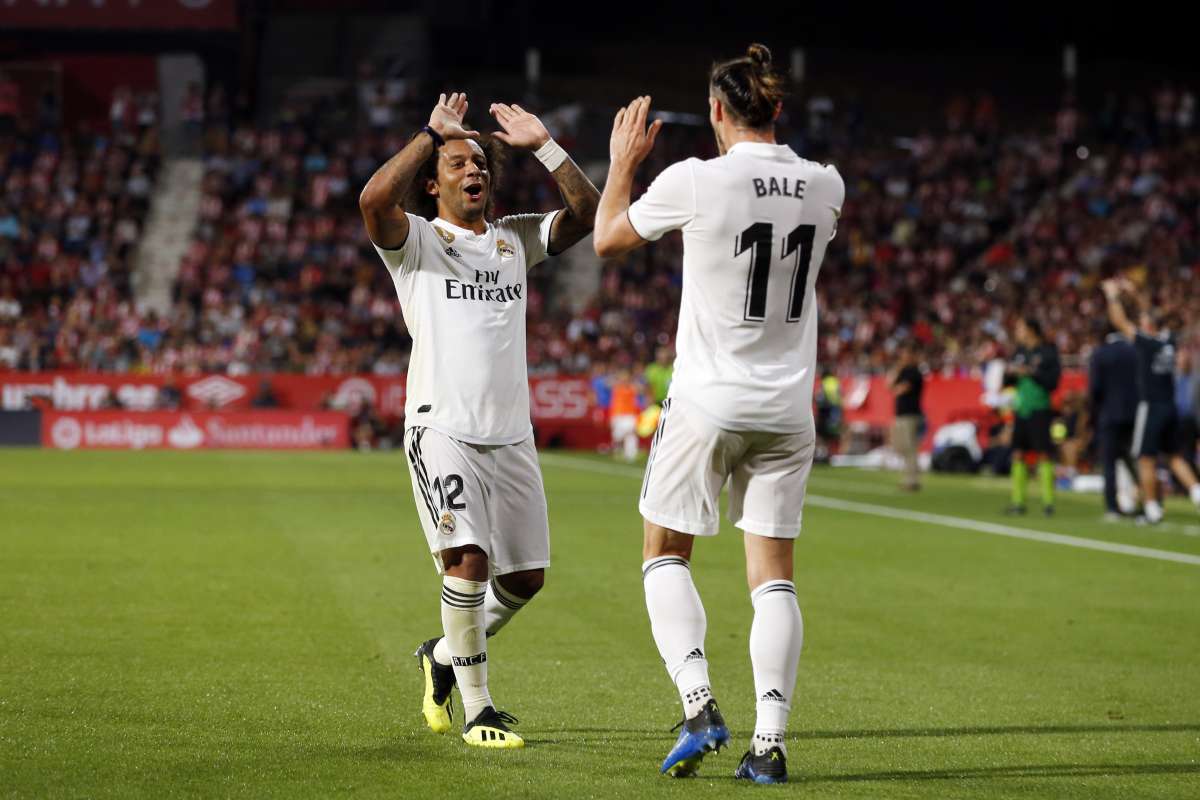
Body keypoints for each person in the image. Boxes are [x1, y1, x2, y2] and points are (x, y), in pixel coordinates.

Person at [593, 44, 844, 784]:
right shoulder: (826, 184)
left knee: (664, 552)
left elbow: (607, 238)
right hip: (787, 408)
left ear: (714, 111)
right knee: (773, 578)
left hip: (708, 400)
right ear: (778, 108)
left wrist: (622, 164)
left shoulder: (695, 180)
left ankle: (699, 706)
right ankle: (770, 746)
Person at [359, 92, 599, 748]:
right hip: (442, 427)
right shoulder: (416, 241)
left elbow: (588, 214)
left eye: (482, 164)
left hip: (511, 434)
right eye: (459, 163)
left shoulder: (513, 239)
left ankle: (441, 656)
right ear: (432, 184)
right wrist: (428, 134)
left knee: (524, 579)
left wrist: (545, 146)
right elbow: (373, 202)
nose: (475, 171)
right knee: (467, 559)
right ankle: (478, 709)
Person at [1102, 279, 1200, 523]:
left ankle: (1151, 509)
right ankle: (1197, 493)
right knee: (1175, 457)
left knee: (1146, 459)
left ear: (1149, 325)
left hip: (1151, 407)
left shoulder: (1147, 344)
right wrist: (1135, 292)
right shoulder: (1169, 341)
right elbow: (1148, 311)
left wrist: (1112, 295)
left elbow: (1119, 321)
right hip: (1170, 407)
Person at [1004, 317, 1061, 516]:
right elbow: (1007, 381)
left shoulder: (1048, 352)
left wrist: (1031, 372)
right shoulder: (1019, 352)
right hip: (1021, 409)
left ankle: (1048, 503)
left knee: (1044, 453)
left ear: (1030, 330)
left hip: (1040, 409)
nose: (1017, 332)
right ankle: (1018, 502)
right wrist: (1010, 373)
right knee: (1017, 453)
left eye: (1020, 328)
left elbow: (1053, 382)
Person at [1088, 325, 1140, 520]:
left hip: (1109, 414)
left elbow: (1095, 389)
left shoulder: (1101, 353)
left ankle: (1112, 507)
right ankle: (1149, 500)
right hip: (1134, 414)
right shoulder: (1134, 351)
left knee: (1109, 462)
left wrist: (1093, 416)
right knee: (1134, 460)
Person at [888, 342, 924, 491]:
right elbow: (889, 385)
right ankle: (910, 476)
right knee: (901, 447)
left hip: (910, 414)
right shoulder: (903, 371)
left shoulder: (914, 372)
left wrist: (896, 388)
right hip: (901, 414)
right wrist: (897, 369)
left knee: (910, 448)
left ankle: (912, 480)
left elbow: (901, 389)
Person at [609, 367, 642, 462]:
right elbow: (607, 384)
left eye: (626, 376)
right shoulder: (616, 387)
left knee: (631, 433)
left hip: (630, 414)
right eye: (622, 376)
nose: (624, 378)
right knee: (619, 435)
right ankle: (618, 448)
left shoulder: (632, 387)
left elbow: (641, 389)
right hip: (618, 415)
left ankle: (631, 455)